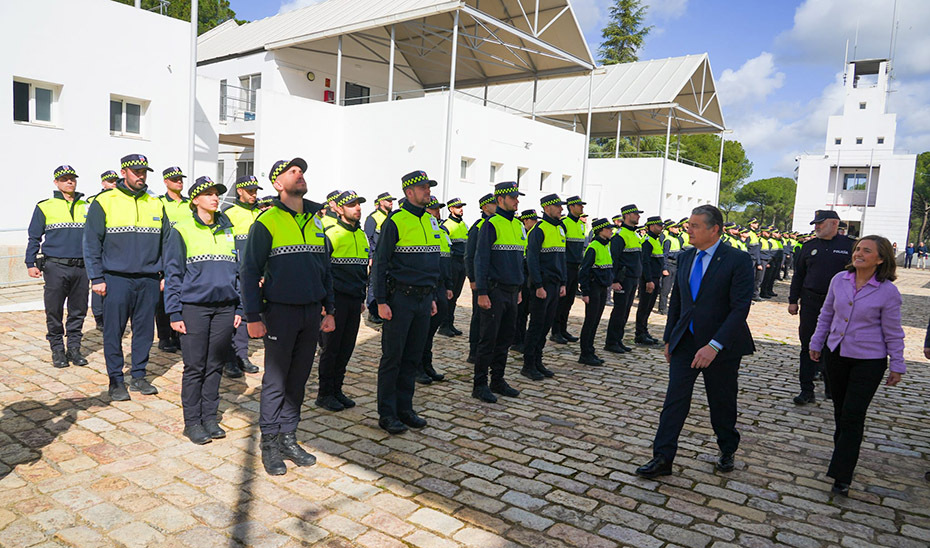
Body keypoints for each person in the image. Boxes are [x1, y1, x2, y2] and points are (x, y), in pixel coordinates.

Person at [636, 205, 754, 478]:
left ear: (715, 229)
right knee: (674, 401)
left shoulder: (737, 259)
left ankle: (727, 448)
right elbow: (678, 301)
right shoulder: (687, 257)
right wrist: (669, 337)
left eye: (696, 225)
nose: (689, 229)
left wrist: (714, 345)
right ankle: (662, 457)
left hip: (720, 347)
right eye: (689, 224)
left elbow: (740, 309)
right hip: (686, 341)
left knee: (721, 402)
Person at [241, 157, 335, 475]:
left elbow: (326, 270)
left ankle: (288, 437)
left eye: (302, 171)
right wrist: (252, 315)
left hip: (312, 313)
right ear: (278, 184)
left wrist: (329, 309)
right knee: (276, 381)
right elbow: (249, 269)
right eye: (292, 171)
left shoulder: (317, 219)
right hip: (280, 312)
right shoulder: (266, 222)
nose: (300, 174)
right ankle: (269, 444)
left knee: (298, 380)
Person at [809, 235, 904, 496]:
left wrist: (897, 363)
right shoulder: (839, 280)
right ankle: (843, 455)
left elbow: (894, 332)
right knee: (841, 412)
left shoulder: (888, 292)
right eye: (857, 249)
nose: (858, 254)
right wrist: (816, 342)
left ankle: (842, 474)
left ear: (881, 258)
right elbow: (826, 313)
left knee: (853, 414)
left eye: (866, 251)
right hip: (836, 355)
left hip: (869, 361)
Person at [163, 176, 240, 445]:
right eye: (208, 194)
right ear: (195, 199)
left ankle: (210, 417)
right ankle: (192, 422)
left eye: (217, 194)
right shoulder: (181, 230)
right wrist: (174, 312)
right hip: (194, 308)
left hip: (224, 308)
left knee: (215, 364)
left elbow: (237, 271)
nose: (215, 198)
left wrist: (239, 305)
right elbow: (173, 274)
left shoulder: (228, 228)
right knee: (195, 366)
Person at [84, 154, 168, 402]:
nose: (140, 175)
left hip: (149, 279)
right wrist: (96, 277)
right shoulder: (105, 201)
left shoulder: (156, 203)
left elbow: (166, 243)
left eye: (144, 172)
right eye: (136, 171)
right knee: (114, 331)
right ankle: (116, 380)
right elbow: (91, 243)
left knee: (144, 331)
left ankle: (139, 375)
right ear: (124, 172)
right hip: (116, 278)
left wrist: (163, 274)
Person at [371, 170, 441, 434]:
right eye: (423, 187)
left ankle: (405, 408)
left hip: (424, 299)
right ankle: (387, 413)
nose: (428, 191)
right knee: (393, 357)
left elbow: (431, 263)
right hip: (400, 299)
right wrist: (380, 301)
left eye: (429, 187)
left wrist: (432, 295)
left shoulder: (431, 222)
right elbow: (380, 264)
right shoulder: (395, 221)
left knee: (412, 357)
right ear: (409, 192)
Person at [26, 165, 90, 369]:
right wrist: (30, 262)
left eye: (72, 178)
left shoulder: (87, 206)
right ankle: (57, 349)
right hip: (55, 266)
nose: (69, 182)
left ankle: (74, 348)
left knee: (78, 310)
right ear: (56, 182)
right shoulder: (45, 206)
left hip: (82, 267)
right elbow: (34, 236)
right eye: (64, 179)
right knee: (53, 310)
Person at [788, 210, 854, 405]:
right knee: (807, 344)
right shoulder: (809, 247)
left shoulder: (849, 246)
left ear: (834, 224)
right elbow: (798, 275)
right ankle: (806, 389)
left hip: (839, 304)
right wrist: (793, 300)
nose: (816, 227)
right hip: (811, 300)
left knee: (834, 345)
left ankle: (832, 387)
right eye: (815, 224)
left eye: (820, 223)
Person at [473, 182, 525, 403]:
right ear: (500, 199)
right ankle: (479, 384)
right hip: (494, 291)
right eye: (512, 197)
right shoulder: (491, 224)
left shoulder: (517, 225)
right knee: (488, 339)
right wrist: (482, 292)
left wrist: (519, 288)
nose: (516, 201)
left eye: (517, 197)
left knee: (505, 339)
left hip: (513, 291)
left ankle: (498, 380)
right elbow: (481, 259)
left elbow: (519, 260)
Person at [317, 190, 369, 411]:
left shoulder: (361, 234)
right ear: (338, 209)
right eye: (351, 205)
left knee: (347, 348)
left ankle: (337, 389)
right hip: (335, 301)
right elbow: (321, 271)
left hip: (353, 300)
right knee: (331, 349)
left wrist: (362, 298)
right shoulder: (330, 233)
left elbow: (361, 271)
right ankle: (324, 393)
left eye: (358, 204)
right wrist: (325, 305)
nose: (357, 208)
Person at [221, 175, 265, 377]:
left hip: (256, 275)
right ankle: (228, 359)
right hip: (235, 273)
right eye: (250, 191)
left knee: (247, 315)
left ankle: (242, 355)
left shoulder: (261, 214)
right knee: (231, 316)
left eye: (256, 191)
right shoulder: (229, 213)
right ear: (239, 191)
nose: (254, 195)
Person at [522, 194, 567, 380]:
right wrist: (538, 285)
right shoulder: (538, 229)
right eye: (558, 206)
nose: (561, 209)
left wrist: (563, 282)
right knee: (536, 325)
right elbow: (532, 260)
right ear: (547, 208)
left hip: (556, 285)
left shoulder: (560, 229)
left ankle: (538, 360)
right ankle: (528, 364)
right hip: (543, 285)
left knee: (546, 325)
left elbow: (561, 257)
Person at [417, 195, 453, 384]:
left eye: (438, 209)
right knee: (423, 330)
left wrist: (449, 285)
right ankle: (418, 366)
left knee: (431, 330)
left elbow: (445, 261)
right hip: (428, 285)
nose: (438, 212)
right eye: (434, 209)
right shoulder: (424, 229)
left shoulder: (441, 230)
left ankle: (427, 363)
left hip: (440, 285)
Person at [156, 166, 189, 354]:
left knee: (182, 296)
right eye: (174, 179)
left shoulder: (190, 204)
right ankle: (164, 336)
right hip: (166, 255)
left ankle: (178, 335)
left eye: (180, 179)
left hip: (185, 256)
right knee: (163, 299)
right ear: (166, 182)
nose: (179, 182)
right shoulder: (159, 203)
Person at [604, 204, 644, 354]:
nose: (638, 216)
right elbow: (614, 259)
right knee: (619, 311)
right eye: (635, 214)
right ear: (627, 216)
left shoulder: (634, 234)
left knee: (626, 311)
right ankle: (611, 341)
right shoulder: (620, 236)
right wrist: (614, 280)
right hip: (623, 279)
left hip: (633, 278)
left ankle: (618, 339)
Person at [578, 218, 619, 366]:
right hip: (594, 288)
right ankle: (585, 353)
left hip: (602, 288)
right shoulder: (593, 247)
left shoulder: (605, 246)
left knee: (595, 322)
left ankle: (590, 350)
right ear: (600, 230)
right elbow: (584, 271)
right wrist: (585, 292)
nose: (611, 231)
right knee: (590, 322)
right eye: (608, 229)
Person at [465, 193, 497, 363]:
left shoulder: (498, 224)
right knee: (478, 316)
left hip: (494, 280)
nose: (496, 205)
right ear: (485, 207)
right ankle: (474, 350)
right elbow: (470, 255)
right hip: (480, 280)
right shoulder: (478, 227)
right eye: (493, 204)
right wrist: (472, 279)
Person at [86, 170, 120, 331]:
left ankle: (110, 316)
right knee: (99, 284)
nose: (113, 183)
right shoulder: (95, 200)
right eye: (110, 181)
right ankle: (99, 316)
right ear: (103, 183)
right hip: (99, 248)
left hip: (113, 250)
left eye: (115, 180)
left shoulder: (121, 199)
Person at [550, 196, 585, 344]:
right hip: (566, 266)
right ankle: (555, 331)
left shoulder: (581, 225)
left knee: (569, 301)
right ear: (571, 207)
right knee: (561, 301)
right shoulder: (564, 223)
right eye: (579, 205)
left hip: (576, 267)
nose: (582, 208)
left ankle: (563, 329)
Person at [634, 216, 667, 345]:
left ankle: (644, 330)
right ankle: (640, 333)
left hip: (655, 277)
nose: (661, 228)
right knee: (644, 306)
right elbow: (645, 262)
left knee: (648, 307)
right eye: (659, 226)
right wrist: (648, 280)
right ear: (651, 226)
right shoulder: (647, 241)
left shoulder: (655, 240)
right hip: (649, 279)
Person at [364, 191, 395, 324]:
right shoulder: (373, 218)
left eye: (392, 200)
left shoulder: (391, 217)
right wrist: (370, 256)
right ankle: (372, 311)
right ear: (381, 202)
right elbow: (368, 238)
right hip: (376, 256)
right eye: (388, 201)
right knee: (373, 285)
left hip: (388, 257)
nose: (391, 203)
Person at [439, 197, 468, 337]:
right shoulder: (446, 225)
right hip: (452, 262)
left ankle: (450, 323)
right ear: (451, 209)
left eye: (461, 206)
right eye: (457, 207)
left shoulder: (464, 225)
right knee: (449, 295)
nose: (460, 209)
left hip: (462, 263)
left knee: (455, 296)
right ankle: (444, 325)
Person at [512, 209, 539, 352]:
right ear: (526, 220)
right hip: (520, 270)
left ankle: (521, 338)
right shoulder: (521, 231)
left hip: (527, 273)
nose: (535, 223)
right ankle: (516, 340)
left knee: (525, 310)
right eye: (533, 220)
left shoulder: (531, 233)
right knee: (520, 310)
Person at [657, 220, 683, 315]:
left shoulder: (677, 239)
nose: (677, 229)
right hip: (669, 264)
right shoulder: (668, 239)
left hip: (676, 265)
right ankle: (662, 308)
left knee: (673, 288)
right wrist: (664, 268)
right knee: (665, 288)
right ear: (670, 228)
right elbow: (665, 255)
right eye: (675, 227)